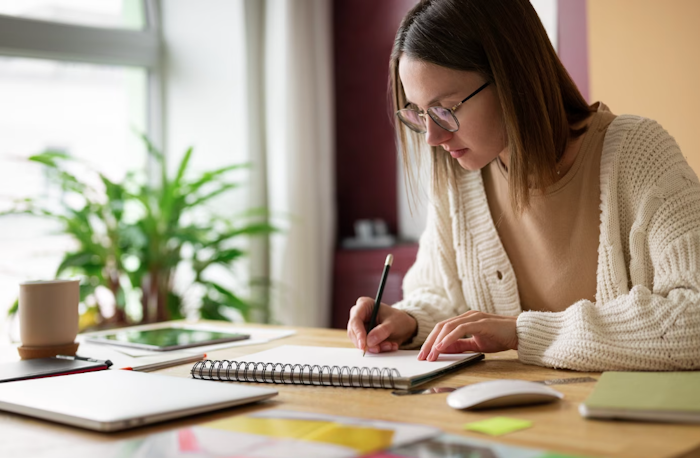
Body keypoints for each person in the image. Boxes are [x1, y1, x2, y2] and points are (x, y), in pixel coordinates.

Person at [346, 0, 700, 371]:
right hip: (512, 423)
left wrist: (523, 332)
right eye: (418, 114)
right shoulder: (462, 176)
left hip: (623, 423)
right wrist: (411, 320)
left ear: (513, 78)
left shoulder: (638, 153)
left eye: (445, 109)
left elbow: (692, 318)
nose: (432, 137)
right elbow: (440, 294)